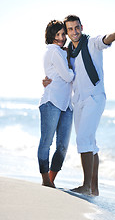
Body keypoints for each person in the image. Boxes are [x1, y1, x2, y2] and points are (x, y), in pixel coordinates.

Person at [43, 15, 115, 195]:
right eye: (70, 29)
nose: (74, 32)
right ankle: (94, 189)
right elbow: (61, 74)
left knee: (82, 140)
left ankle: (86, 186)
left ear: (81, 27)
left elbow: (106, 39)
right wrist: (46, 81)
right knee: (90, 142)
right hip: (78, 100)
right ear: (66, 32)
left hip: (94, 97)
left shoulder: (91, 43)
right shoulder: (68, 53)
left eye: (76, 28)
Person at [38, 20, 74, 188]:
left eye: (62, 34)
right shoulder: (54, 51)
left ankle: (51, 181)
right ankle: (45, 180)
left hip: (66, 104)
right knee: (46, 142)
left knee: (62, 147)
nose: (61, 38)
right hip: (51, 102)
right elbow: (68, 77)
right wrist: (71, 68)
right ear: (51, 36)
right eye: (57, 34)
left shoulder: (61, 51)